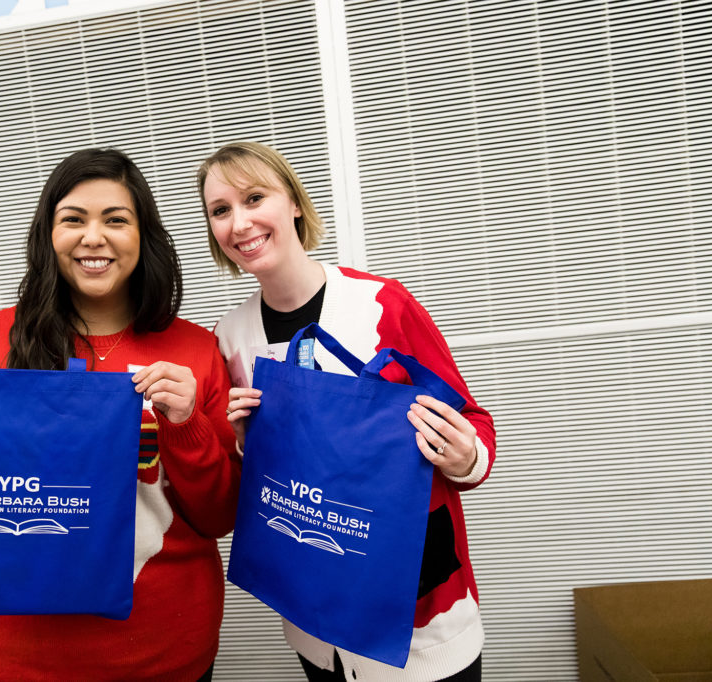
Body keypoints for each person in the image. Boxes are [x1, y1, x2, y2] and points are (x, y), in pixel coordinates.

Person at [0, 148, 241, 681]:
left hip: (163, 653)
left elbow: (218, 516)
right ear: (48, 233)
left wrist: (185, 426)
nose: (95, 237)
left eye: (116, 220)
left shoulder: (195, 350)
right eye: (74, 219)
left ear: (145, 236)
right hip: (11, 658)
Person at [197, 141, 496, 682]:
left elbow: (474, 422)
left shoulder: (381, 304)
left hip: (422, 618)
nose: (239, 222)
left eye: (254, 198)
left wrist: (463, 456)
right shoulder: (230, 336)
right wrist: (241, 440)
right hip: (315, 624)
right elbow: (249, 477)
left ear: (293, 202)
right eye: (220, 210)